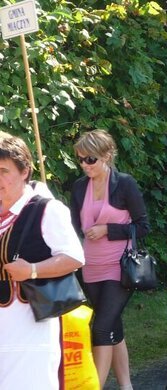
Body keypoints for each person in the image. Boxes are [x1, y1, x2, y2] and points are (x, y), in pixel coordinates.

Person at [0, 132, 84, 389]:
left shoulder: (46, 209)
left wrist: (33, 270)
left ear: (25, 171)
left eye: (3, 170)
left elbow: (74, 257)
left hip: (31, 328)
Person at [70, 129, 150, 390]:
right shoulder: (79, 187)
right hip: (90, 267)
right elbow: (73, 228)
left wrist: (108, 230)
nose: (84, 165)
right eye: (80, 159)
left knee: (101, 329)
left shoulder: (124, 183)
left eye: (90, 159)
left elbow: (143, 226)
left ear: (107, 155)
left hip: (119, 267)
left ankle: (95, 385)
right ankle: (126, 385)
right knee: (112, 325)